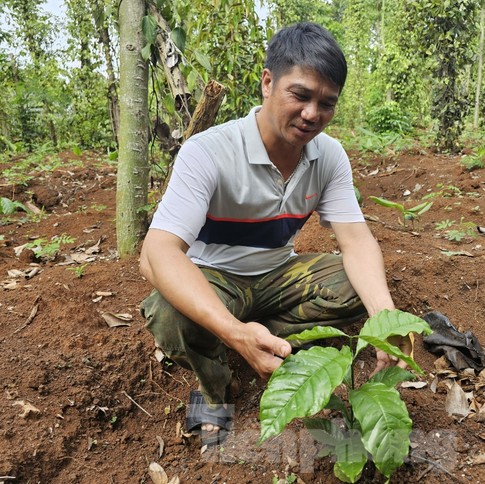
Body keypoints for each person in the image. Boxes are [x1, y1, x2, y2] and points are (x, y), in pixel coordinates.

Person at [139, 22, 411, 447]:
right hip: (214, 276)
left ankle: (265, 332)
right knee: (172, 314)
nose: (311, 114)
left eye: (326, 103)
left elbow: (356, 241)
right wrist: (234, 333)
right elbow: (158, 252)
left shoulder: (328, 156)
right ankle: (215, 387)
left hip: (277, 273)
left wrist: (383, 317)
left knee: (359, 288)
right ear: (268, 82)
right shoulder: (209, 152)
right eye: (300, 95)